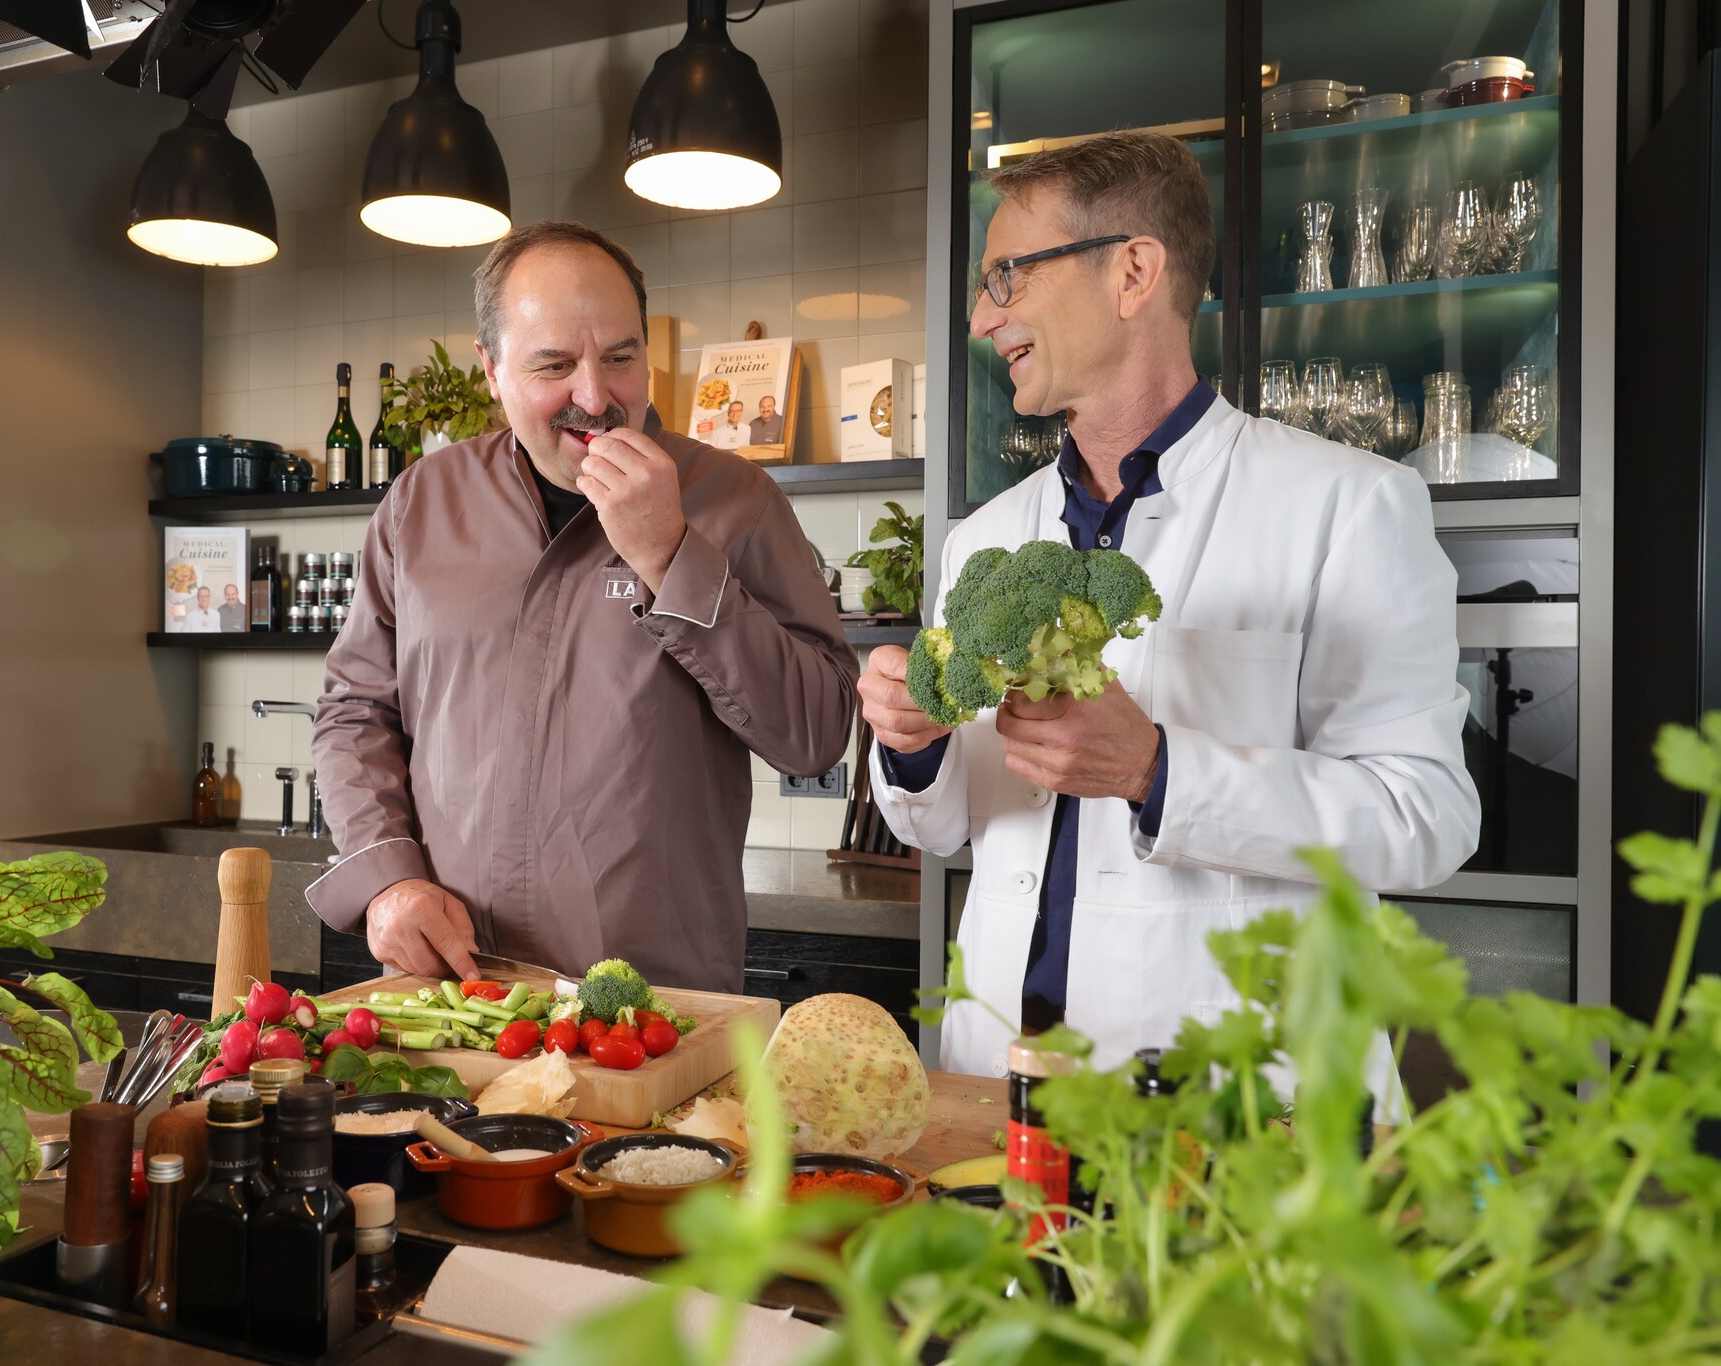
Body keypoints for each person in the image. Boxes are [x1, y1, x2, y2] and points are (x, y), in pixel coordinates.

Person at [860, 132, 1477, 1084]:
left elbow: (1425, 816)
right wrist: (914, 745)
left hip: (1232, 1092)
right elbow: (941, 829)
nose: (983, 319)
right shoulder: (984, 538)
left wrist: (1158, 771)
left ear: (1134, 273)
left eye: (1007, 276)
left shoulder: (1349, 505)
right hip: (998, 1078)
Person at [308, 220, 857, 992]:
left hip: (655, 1007)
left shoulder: (739, 501)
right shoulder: (420, 503)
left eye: (621, 358)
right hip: (453, 995)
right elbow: (354, 712)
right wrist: (386, 878)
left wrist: (671, 556)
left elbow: (817, 734)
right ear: (491, 370)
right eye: (555, 365)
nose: (596, 397)